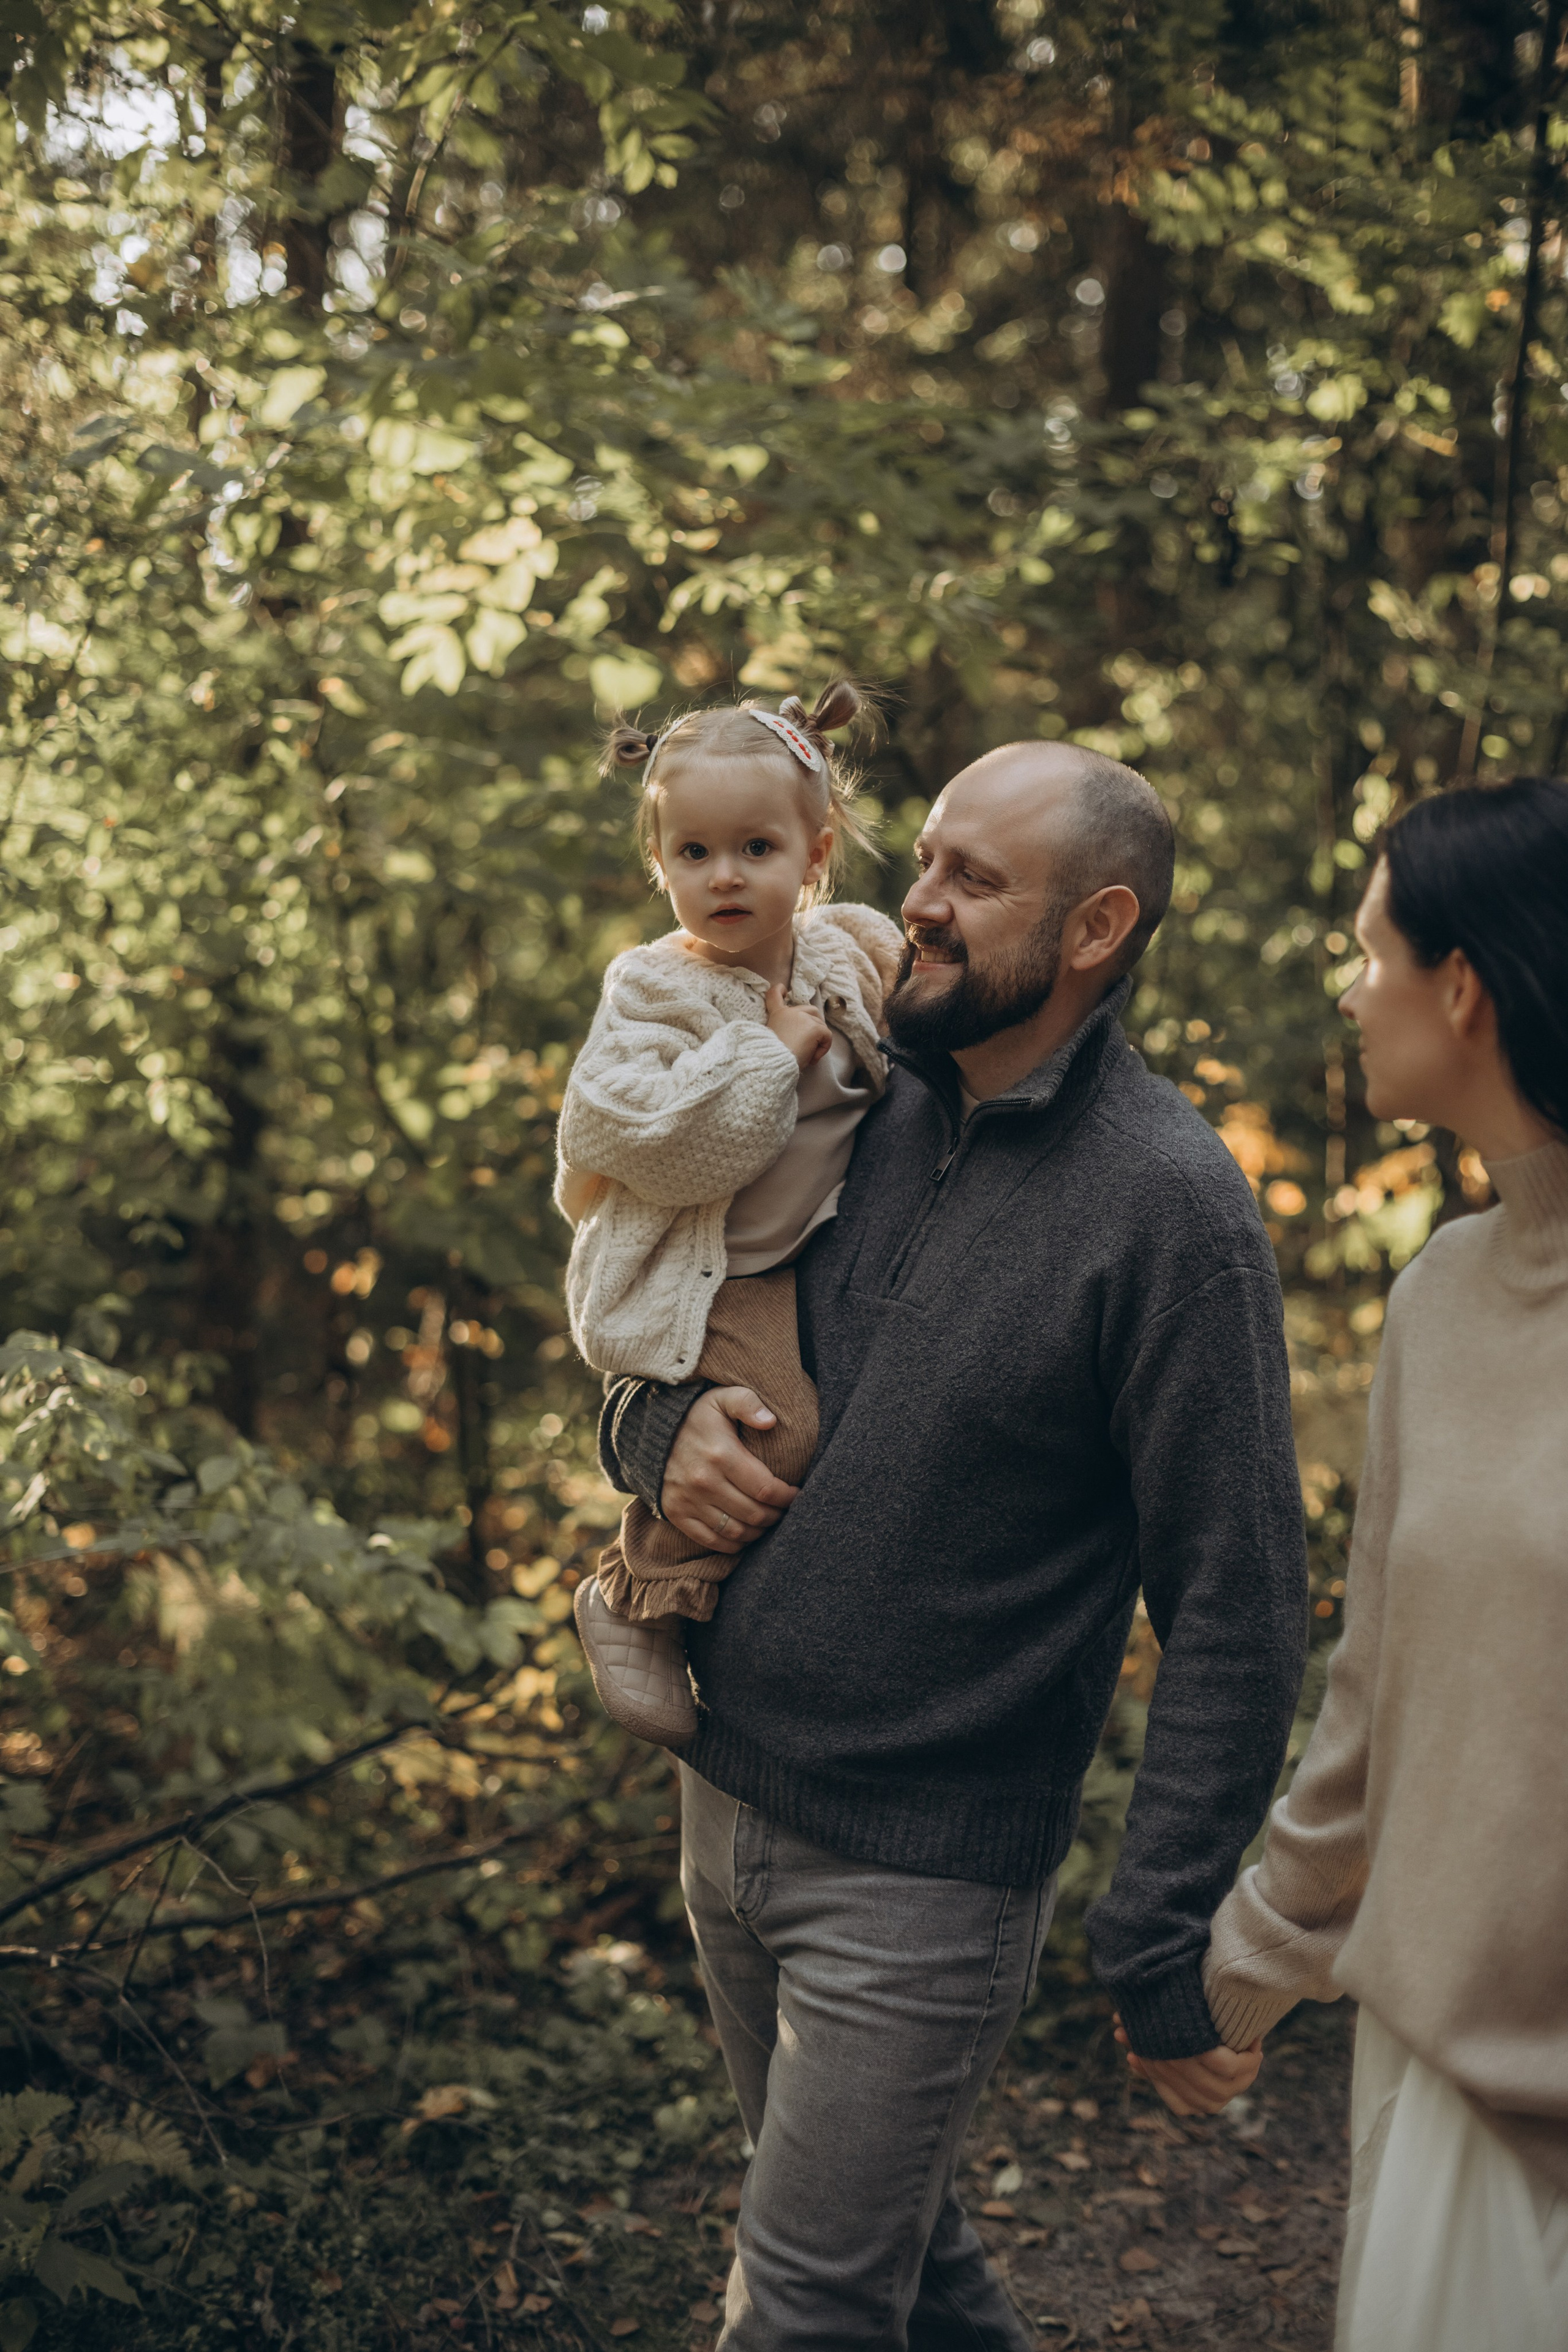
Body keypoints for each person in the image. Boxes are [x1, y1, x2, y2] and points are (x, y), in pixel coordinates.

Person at [598, 739, 1310, 2351]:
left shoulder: (1173, 1212)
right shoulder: (848, 1091)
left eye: (972, 882)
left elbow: (1242, 1602)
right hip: (723, 1799)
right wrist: (654, 1438)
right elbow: (657, 1300)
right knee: (903, 2264)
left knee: (803, 2305)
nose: (912, 905)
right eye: (921, 861)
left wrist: (1163, 1930)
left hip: (921, 1876)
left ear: (1096, 928)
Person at [1200, 777, 1568, 2352]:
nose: (1350, 989)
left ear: (1463, 986)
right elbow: (1380, 1685)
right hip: (1446, 2077)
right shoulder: (1439, 1297)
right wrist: (1251, 1950)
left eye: (1368, 950)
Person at [556, 682, 902, 1748]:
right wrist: (767, 1053)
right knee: (776, 1428)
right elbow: (657, 1144)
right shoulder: (653, 994)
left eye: (757, 847)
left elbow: (917, 998)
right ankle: (636, 1597)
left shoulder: (840, 950)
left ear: (816, 852)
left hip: (804, 1260)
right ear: (659, 865)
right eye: (694, 854)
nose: (726, 877)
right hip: (705, 1275)